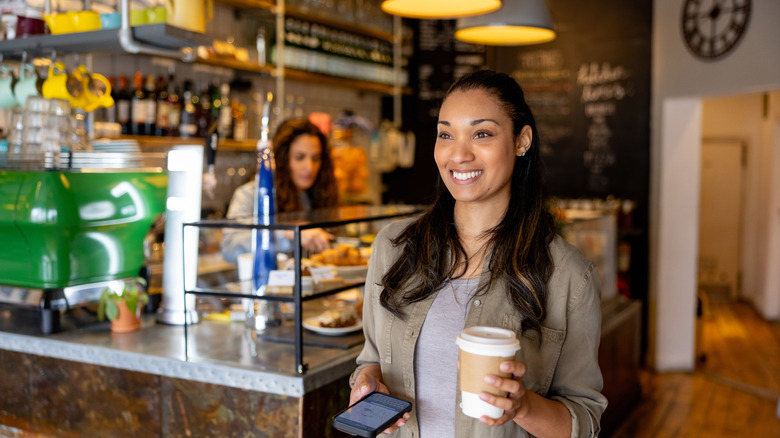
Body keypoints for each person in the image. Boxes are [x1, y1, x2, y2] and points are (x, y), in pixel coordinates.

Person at [349, 70, 607, 437]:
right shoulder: (394, 249)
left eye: (482, 133)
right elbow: (370, 360)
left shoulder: (568, 276)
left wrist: (523, 406)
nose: (459, 153)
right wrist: (366, 384)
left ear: (522, 141)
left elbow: (584, 421)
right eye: (446, 134)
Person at [221, 118, 338, 264]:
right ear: (282, 159)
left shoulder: (316, 194)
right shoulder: (250, 194)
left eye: (315, 158)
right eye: (299, 157)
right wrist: (288, 234)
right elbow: (229, 248)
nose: (309, 167)